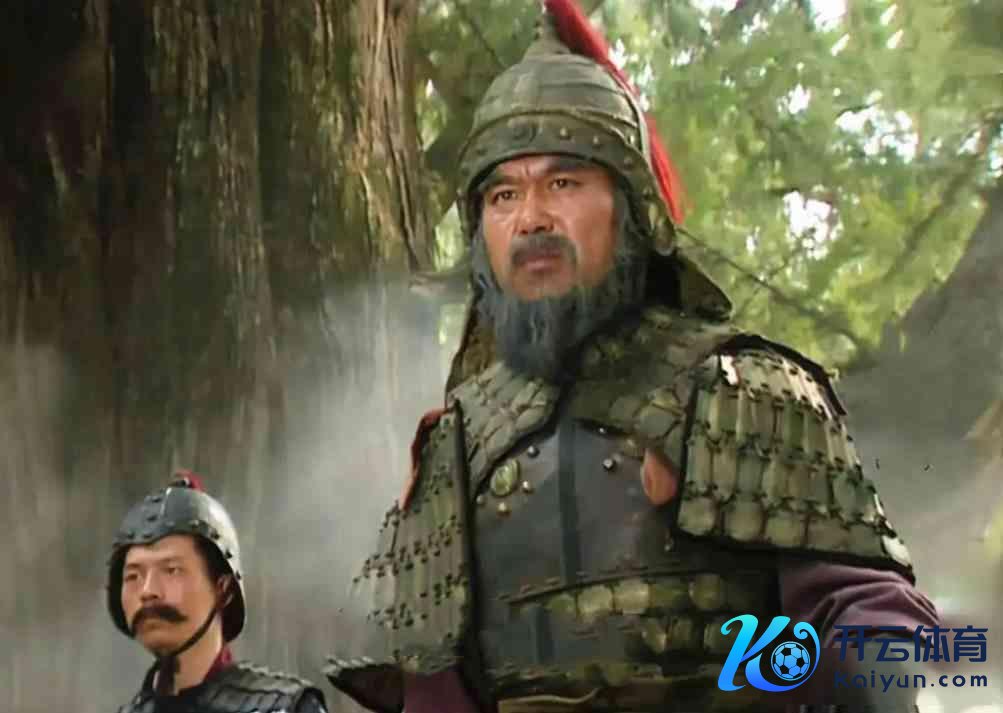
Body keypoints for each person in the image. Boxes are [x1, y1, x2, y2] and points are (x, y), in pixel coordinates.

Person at [325, 1, 940, 711]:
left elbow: (867, 621)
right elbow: (437, 690)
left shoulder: (743, 388)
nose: (530, 218)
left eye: (563, 183)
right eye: (503, 194)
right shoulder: (455, 443)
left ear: (632, 209)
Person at [107, 471, 328, 713]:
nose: (148, 591)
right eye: (133, 576)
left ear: (223, 589)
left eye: (171, 570)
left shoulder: (284, 708)